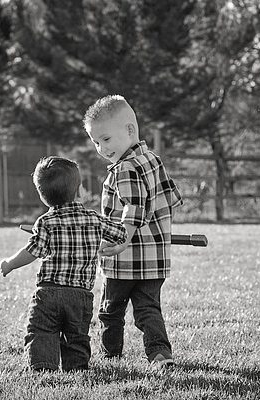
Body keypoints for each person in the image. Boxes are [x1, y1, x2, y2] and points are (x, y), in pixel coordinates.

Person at [0, 156, 127, 372]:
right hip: (80, 295)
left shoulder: (46, 222)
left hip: (48, 292)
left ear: (42, 196)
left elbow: (33, 251)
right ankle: (76, 369)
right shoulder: (94, 219)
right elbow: (121, 233)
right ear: (78, 189)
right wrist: (99, 240)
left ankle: (42, 367)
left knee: (41, 330)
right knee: (76, 335)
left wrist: (10, 263)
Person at [83, 94, 183, 367]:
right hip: (154, 260)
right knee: (149, 309)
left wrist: (124, 238)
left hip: (122, 260)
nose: (101, 148)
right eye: (95, 142)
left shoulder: (124, 168)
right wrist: (156, 230)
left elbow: (134, 207)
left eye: (106, 139)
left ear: (129, 130)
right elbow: (171, 200)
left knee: (110, 311)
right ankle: (160, 355)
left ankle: (110, 355)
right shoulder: (153, 160)